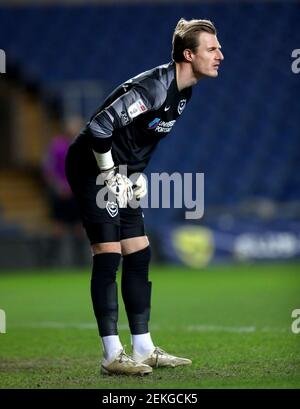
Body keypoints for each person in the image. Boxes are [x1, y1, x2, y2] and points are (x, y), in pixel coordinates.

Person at [65, 18, 224, 375]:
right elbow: (99, 128)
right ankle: (110, 355)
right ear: (188, 54)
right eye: (212, 49)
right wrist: (109, 173)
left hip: (121, 172)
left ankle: (143, 348)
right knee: (109, 254)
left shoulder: (185, 91)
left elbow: (140, 138)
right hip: (92, 164)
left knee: (138, 250)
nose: (220, 55)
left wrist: (135, 178)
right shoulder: (155, 87)